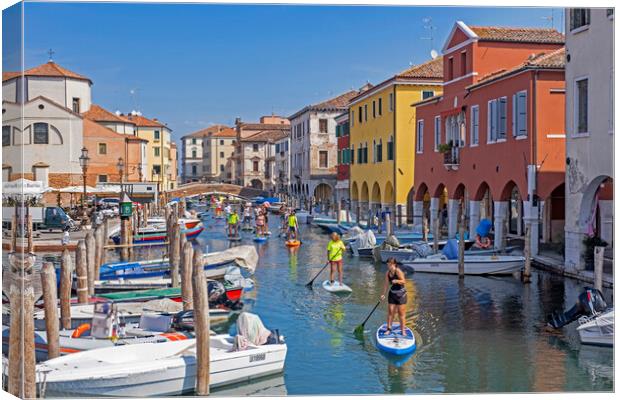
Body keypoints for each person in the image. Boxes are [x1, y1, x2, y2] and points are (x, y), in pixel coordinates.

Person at [380, 257, 407, 336]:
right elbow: (386, 284)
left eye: (390, 264)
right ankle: (388, 329)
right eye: (388, 264)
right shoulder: (387, 273)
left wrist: (397, 281)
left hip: (401, 295)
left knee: (401, 313)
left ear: (394, 264)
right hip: (392, 294)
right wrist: (383, 294)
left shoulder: (398, 271)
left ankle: (403, 331)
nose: (389, 266)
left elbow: (404, 281)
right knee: (390, 312)